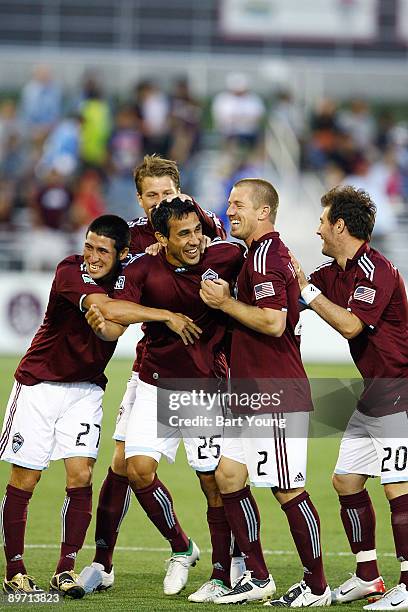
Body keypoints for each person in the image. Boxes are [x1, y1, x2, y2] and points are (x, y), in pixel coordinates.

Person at [0, 213, 195, 598]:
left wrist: (105, 320)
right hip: (39, 386)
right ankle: (15, 569)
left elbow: (111, 325)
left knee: (82, 477)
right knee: (26, 478)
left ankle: (65, 569)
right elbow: (109, 311)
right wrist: (164, 315)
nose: (92, 255)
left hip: (86, 391)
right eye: (88, 245)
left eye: (102, 250)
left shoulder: (124, 285)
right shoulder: (70, 269)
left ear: (121, 254)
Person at [80, 156, 244, 600]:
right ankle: (108, 561)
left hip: (205, 375)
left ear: (182, 193)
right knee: (125, 465)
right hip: (149, 368)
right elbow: (111, 298)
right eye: (151, 196)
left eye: (167, 195)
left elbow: (227, 259)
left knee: (212, 477)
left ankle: (230, 561)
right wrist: (107, 315)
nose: (160, 202)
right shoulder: (133, 240)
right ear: (140, 200)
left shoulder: (202, 225)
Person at [200, 178, 330, 606]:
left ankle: (317, 586)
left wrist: (225, 304)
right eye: (229, 202)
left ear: (263, 211)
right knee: (228, 474)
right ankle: (258, 576)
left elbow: (274, 323)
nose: (230, 209)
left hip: (276, 391)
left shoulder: (265, 256)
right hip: (252, 391)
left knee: (287, 489)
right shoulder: (257, 255)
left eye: (238, 204)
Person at [290, 185, 408, 610]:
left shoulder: (378, 270)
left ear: (340, 225)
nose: (317, 229)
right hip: (373, 392)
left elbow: (353, 326)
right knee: (346, 480)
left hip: (399, 389)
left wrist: (308, 293)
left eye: (322, 222)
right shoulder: (333, 272)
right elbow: (297, 296)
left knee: (398, 487)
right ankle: (367, 576)